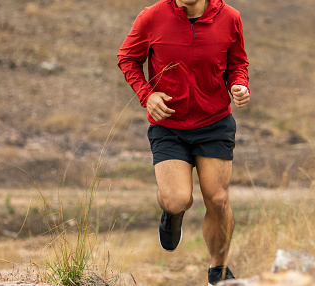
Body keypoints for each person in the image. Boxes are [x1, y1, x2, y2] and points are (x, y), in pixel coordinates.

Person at [117, 0, 249, 284]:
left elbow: (237, 63)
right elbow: (127, 58)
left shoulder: (230, 18)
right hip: (169, 126)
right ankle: (171, 214)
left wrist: (239, 84)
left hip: (214, 123)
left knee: (218, 198)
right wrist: (147, 94)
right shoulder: (152, 17)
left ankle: (219, 271)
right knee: (178, 199)